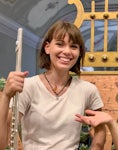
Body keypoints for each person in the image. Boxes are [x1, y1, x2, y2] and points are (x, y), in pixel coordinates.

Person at [0, 20, 106, 150]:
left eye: (73, 46)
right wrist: (5, 96)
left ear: (79, 52)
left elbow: (100, 130)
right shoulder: (28, 86)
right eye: (60, 44)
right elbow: (2, 143)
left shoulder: (88, 90)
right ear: (47, 47)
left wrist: (96, 147)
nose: (67, 51)